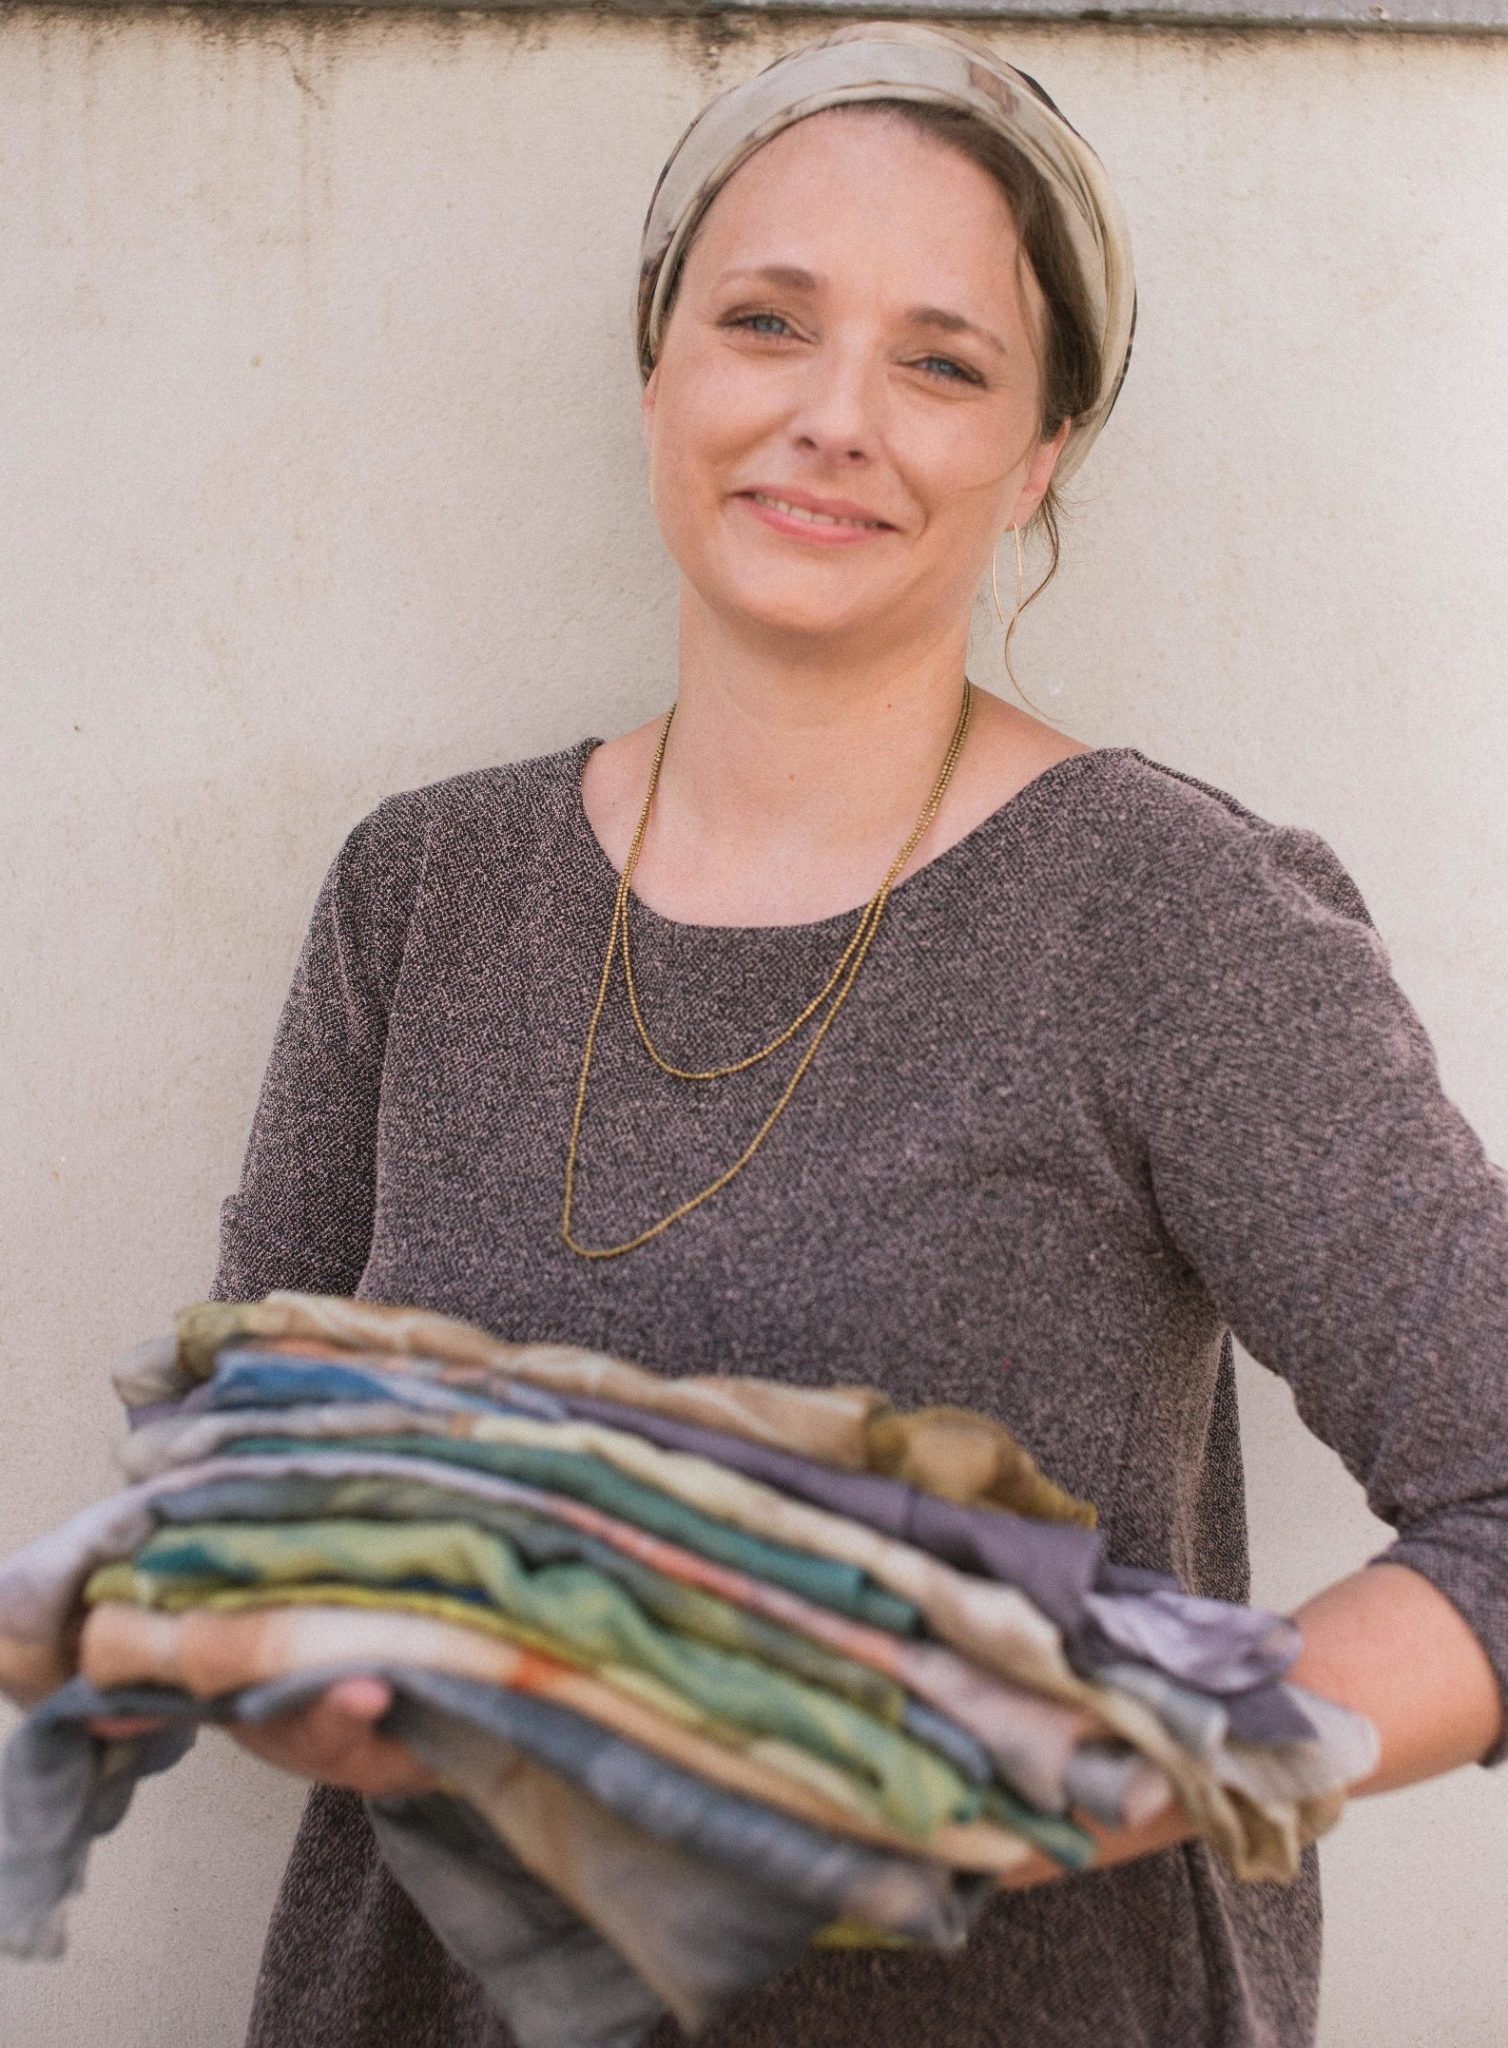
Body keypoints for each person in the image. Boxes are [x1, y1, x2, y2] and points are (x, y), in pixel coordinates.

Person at [115, 23, 1504, 2047]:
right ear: (661, 364)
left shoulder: (1165, 910)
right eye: (767, 321)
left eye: (940, 361)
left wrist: (1075, 1772)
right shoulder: (422, 892)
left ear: (1037, 453)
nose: (833, 416)